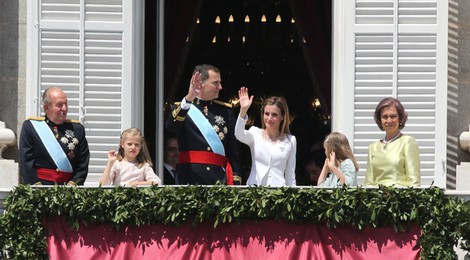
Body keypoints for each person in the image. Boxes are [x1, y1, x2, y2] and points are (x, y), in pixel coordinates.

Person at [165, 64, 241, 185]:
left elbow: (233, 150)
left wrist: (236, 177)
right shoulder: (183, 107)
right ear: (200, 83)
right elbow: (171, 126)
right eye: (215, 83)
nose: (220, 87)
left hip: (218, 179)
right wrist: (189, 97)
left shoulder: (226, 112)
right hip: (189, 178)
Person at [19, 87, 90, 185]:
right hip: (41, 188)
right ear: (46, 108)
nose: (64, 108)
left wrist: (73, 184)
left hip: (69, 190)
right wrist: (36, 187)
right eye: (59, 105)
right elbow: (26, 162)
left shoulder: (77, 129)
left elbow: (83, 163)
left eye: (66, 104)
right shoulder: (31, 127)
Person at [234, 87, 296, 186]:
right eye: (267, 114)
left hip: (279, 193)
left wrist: (292, 197)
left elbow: (290, 175)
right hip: (255, 191)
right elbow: (238, 134)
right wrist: (243, 111)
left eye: (274, 115)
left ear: (282, 117)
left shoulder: (290, 140)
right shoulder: (255, 133)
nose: (269, 118)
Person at [364, 97, 421, 187]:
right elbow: (368, 183)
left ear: (400, 118)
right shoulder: (373, 147)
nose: (389, 121)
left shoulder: (407, 142)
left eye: (393, 116)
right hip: (376, 198)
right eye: (385, 117)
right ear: (380, 120)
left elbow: (414, 182)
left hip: (400, 198)